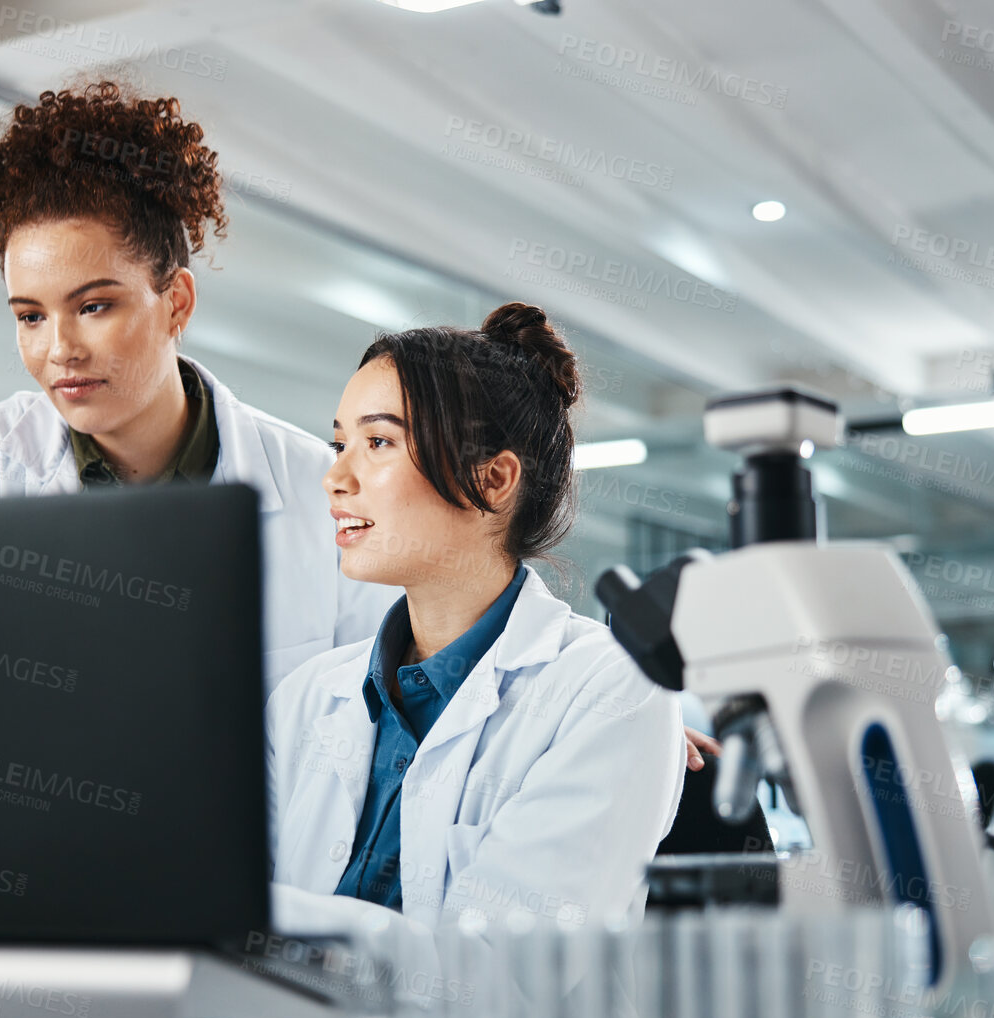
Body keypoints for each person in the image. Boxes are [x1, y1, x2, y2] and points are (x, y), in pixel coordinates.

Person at [0, 81, 395, 686]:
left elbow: (368, 725)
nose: (59, 349)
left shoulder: (318, 488)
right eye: (31, 316)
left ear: (177, 303)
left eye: (93, 307)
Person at [266, 303, 687, 974]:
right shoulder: (307, 698)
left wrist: (240, 918)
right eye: (339, 441)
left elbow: (497, 979)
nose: (334, 476)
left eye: (377, 443)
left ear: (492, 479)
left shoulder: (610, 689)